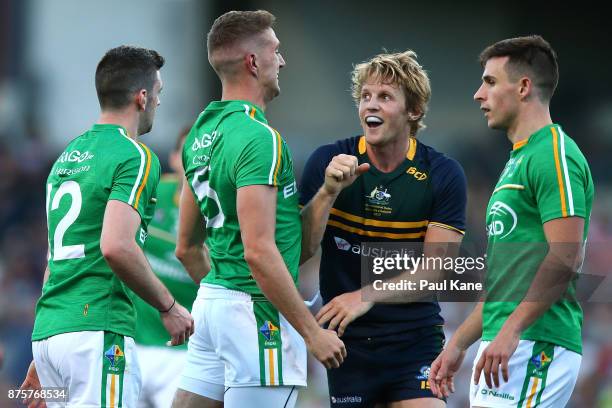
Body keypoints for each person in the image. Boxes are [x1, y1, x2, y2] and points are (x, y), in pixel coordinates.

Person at [172, 10, 346, 408]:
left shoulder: (200, 132)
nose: (282, 61)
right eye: (275, 51)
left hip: (213, 302)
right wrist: (311, 333)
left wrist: (325, 194)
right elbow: (260, 250)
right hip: (257, 312)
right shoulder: (259, 137)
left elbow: (186, 246)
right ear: (253, 62)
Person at [19, 45, 194, 408]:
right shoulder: (135, 155)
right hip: (97, 329)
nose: (159, 103)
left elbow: (56, 259)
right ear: (142, 97)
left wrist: (46, 348)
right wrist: (169, 307)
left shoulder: (67, 156)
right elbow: (116, 246)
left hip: (52, 332)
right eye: (159, 93)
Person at [429, 35, 594, 408]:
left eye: (489, 81)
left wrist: (511, 330)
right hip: (506, 343)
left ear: (523, 87)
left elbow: (568, 257)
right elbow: (505, 280)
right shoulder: (517, 160)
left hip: (536, 343)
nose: (477, 94)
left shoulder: (555, 153)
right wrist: (458, 344)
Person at [299, 50, 467, 407]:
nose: (370, 106)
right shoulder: (327, 161)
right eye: (365, 96)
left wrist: (364, 295)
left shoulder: (442, 173)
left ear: (414, 111)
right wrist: (328, 192)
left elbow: (435, 271)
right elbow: (299, 252)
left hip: (415, 339)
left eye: (385, 97)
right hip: (346, 345)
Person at [134, 127, 200, 408]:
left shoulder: (225, 210)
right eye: (187, 154)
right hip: (132, 344)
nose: (195, 162)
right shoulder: (151, 193)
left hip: (185, 353)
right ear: (174, 158)